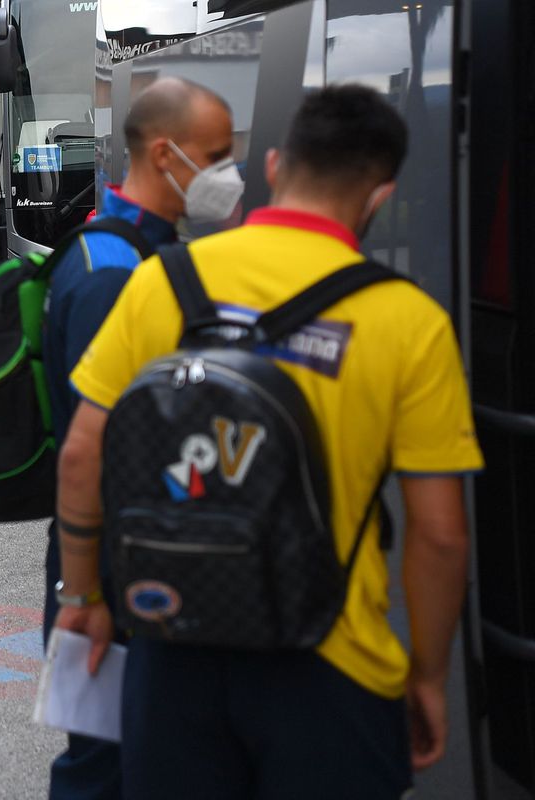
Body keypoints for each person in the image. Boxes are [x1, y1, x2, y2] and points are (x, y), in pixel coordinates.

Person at [55, 84, 482, 799]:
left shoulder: (165, 279)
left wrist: (84, 592)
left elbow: (80, 454)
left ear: (277, 167)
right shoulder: (408, 319)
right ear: (380, 195)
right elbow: (440, 536)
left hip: (173, 653)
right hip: (331, 665)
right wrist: (429, 676)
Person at [41, 77, 236, 800]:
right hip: (116, 562)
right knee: (106, 767)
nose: (229, 174)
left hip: (123, 552)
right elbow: (105, 442)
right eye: (216, 156)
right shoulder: (116, 273)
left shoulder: (124, 251)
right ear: (165, 153)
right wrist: (85, 588)